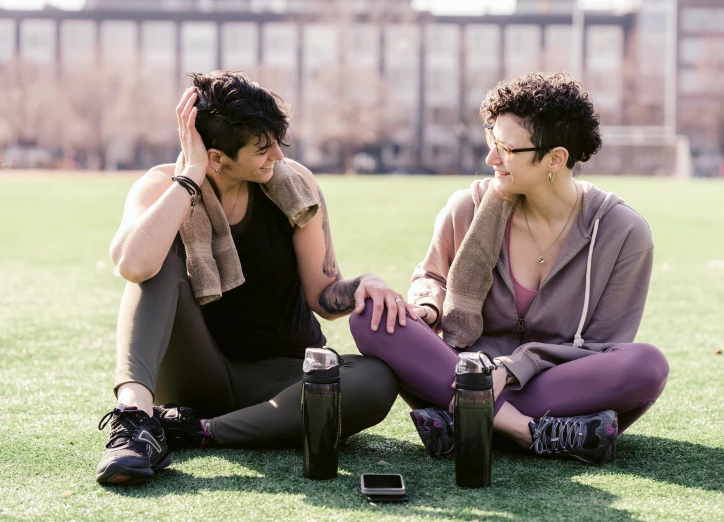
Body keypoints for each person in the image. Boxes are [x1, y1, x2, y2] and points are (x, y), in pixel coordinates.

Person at [96, 71, 417, 485]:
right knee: (158, 259)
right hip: (199, 372)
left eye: (277, 144)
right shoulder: (163, 186)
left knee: (375, 381)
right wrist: (190, 175)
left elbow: (323, 296)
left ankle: (196, 431)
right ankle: (135, 423)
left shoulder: (295, 186)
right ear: (216, 157)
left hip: (283, 376)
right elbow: (133, 266)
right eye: (261, 150)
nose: (277, 158)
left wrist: (363, 284)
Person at [350, 72, 669, 463]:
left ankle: (467, 419)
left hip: (549, 378)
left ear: (556, 159)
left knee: (647, 365)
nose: (490, 159)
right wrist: (428, 306)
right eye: (491, 141)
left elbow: (602, 347)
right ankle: (527, 430)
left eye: (505, 148)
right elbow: (430, 278)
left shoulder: (622, 233)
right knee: (371, 317)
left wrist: (517, 367)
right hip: (460, 366)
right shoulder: (467, 207)